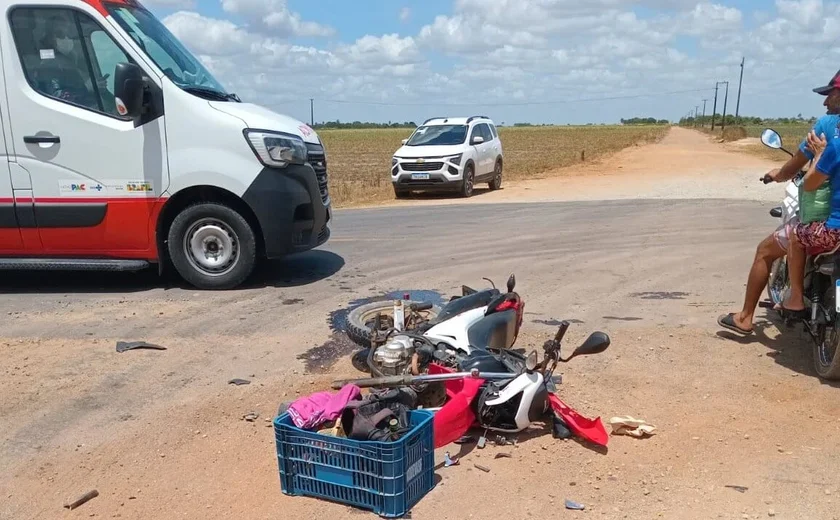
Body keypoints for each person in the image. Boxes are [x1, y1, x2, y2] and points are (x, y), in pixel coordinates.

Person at [717, 71, 840, 335]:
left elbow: (805, 178)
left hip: (829, 225)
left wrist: (783, 172)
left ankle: (748, 316)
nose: (825, 103)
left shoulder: (829, 130)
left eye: (829, 95)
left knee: (770, 248)